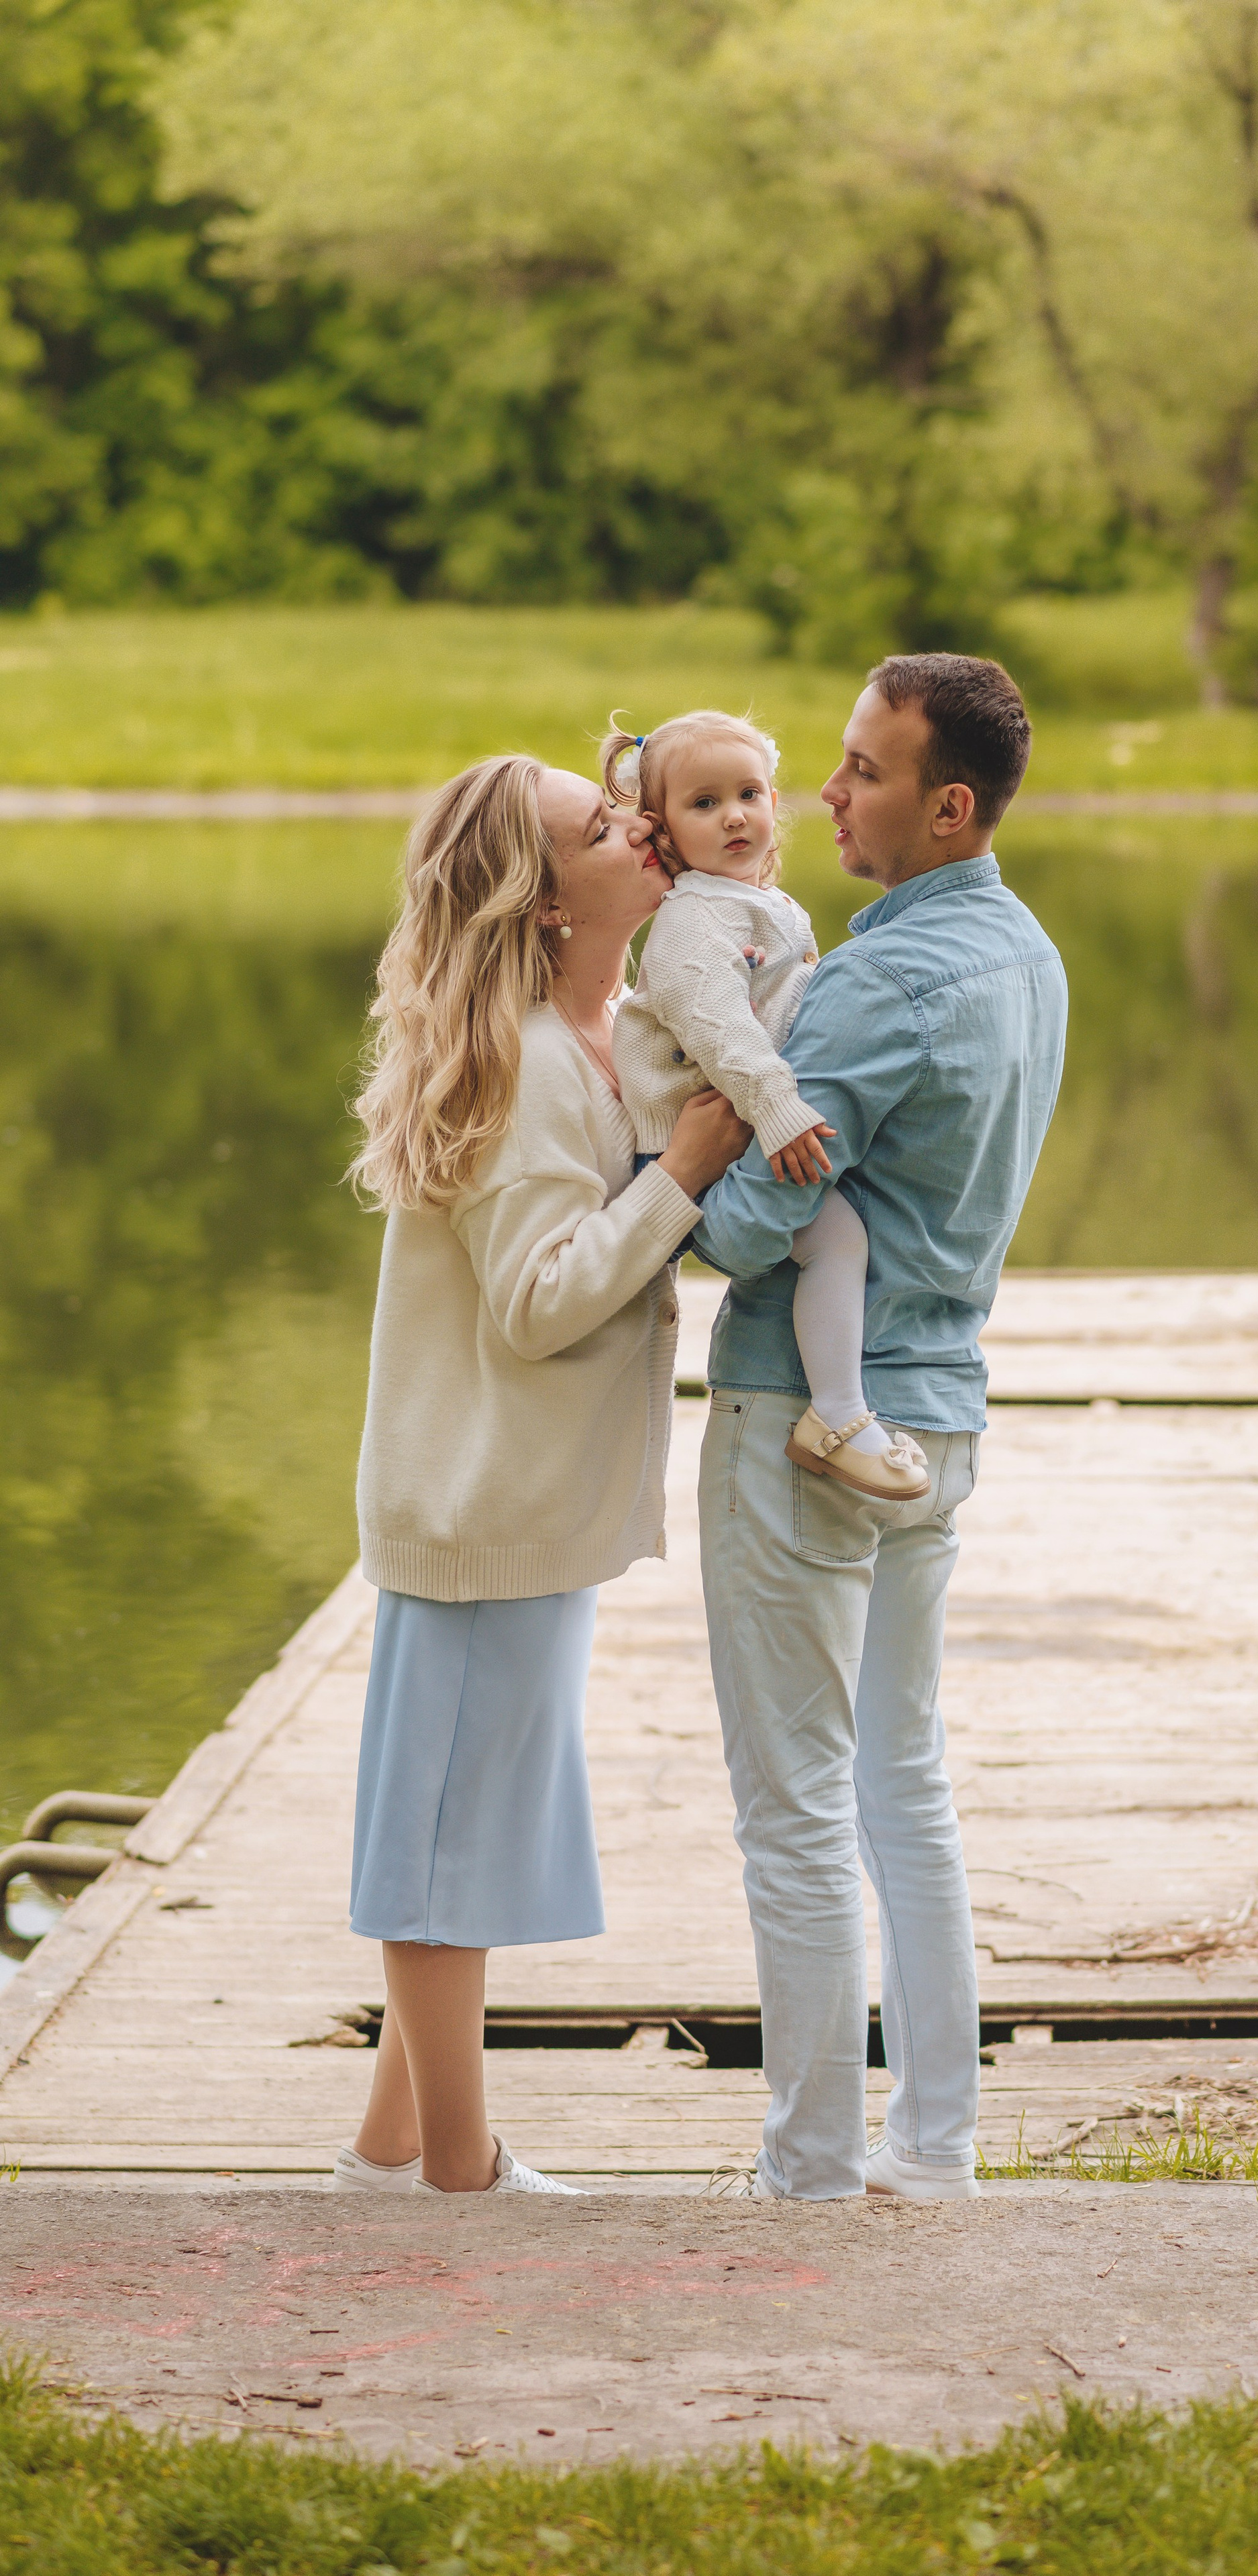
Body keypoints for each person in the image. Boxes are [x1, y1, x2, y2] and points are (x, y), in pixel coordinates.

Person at [337, 752, 749, 2198]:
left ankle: (386, 2149)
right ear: (543, 893)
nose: (644, 831)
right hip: (476, 1512)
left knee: (471, 1819)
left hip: (531, 1514)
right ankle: (459, 2174)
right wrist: (678, 1176)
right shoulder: (517, 1061)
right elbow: (536, 1300)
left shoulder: (618, 1034)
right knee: (442, 1851)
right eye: (602, 826)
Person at [692, 653, 1068, 2202]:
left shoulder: (885, 976)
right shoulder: (1026, 954)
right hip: (941, 1417)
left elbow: (740, 1222)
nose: (822, 796)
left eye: (858, 771)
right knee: (899, 1782)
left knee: (793, 1808)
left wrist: (670, 1175)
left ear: (947, 803)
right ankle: (931, 2148)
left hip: (807, 1423)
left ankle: (807, 2168)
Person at [602, 708, 927, 1503]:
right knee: (837, 1240)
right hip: (699, 1145)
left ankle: (849, 1395)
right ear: (664, 832)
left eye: (749, 793)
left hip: (743, 1120)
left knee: (848, 1234)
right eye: (704, 804)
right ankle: (838, 1416)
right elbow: (721, 1033)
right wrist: (780, 1111)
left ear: (776, 801)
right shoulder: (689, 920)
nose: (735, 815)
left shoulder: (758, 904)